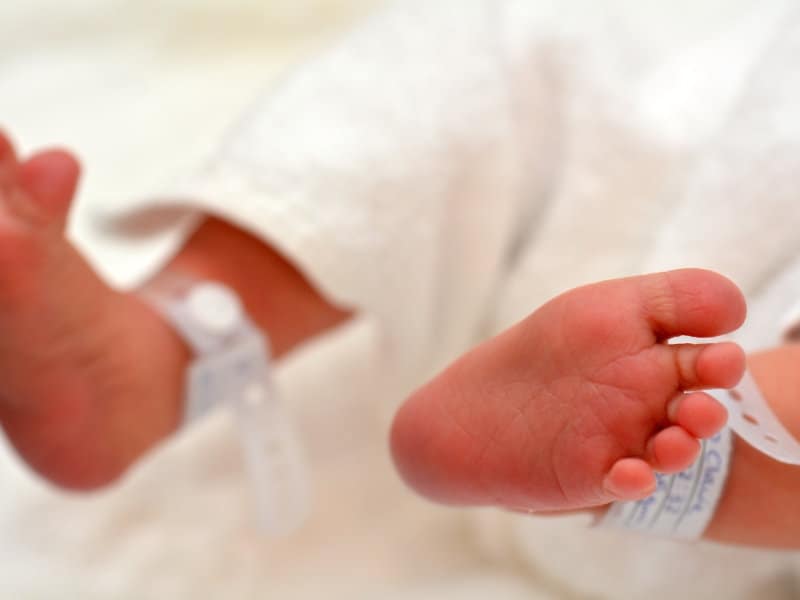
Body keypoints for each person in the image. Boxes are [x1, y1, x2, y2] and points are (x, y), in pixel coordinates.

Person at [2, 0, 800, 595]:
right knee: (489, 38)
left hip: (754, 310)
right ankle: (167, 343)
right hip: (703, 79)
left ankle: (664, 457)